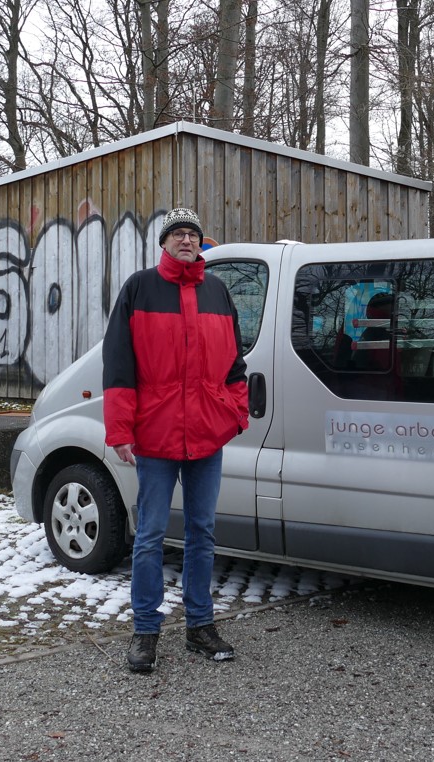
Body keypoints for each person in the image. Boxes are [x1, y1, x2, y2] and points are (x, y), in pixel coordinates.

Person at [103, 207, 249, 673]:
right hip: (157, 434)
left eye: (193, 234)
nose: (186, 240)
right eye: (178, 233)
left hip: (206, 434)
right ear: (164, 242)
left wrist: (236, 411)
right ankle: (146, 630)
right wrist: (120, 428)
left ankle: (199, 626)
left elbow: (235, 363)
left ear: (200, 242)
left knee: (202, 531)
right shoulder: (139, 288)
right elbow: (118, 364)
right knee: (149, 536)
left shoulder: (217, 291)